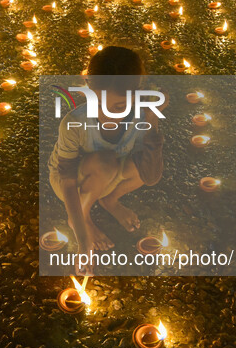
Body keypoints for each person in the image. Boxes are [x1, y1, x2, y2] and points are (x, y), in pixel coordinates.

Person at [47, 46, 166, 275]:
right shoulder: (74, 124)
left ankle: (110, 200)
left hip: (110, 174)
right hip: (73, 182)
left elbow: (151, 175)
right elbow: (68, 182)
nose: (108, 113)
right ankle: (81, 216)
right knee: (106, 161)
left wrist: (153, 118)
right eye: (98, 102)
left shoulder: (142, 115)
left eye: (119, 106)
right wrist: (82, 239)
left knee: (139, 167)